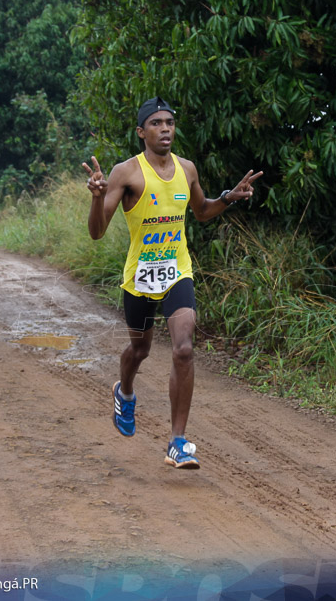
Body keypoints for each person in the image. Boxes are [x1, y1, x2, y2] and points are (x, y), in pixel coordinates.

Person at [82, 97, 262, 469]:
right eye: (157, 123)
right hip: (140, 278)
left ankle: (177, 442)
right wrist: (97, 200)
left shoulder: (187, 169)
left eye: (170, 123)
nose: (165, 129)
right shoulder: (125, 173)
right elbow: (98, 233)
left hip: (177, 270)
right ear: (141, 132)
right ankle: (125, 391)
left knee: (183, 348)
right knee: (139, 350)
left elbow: (201, 212)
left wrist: (228, 198)